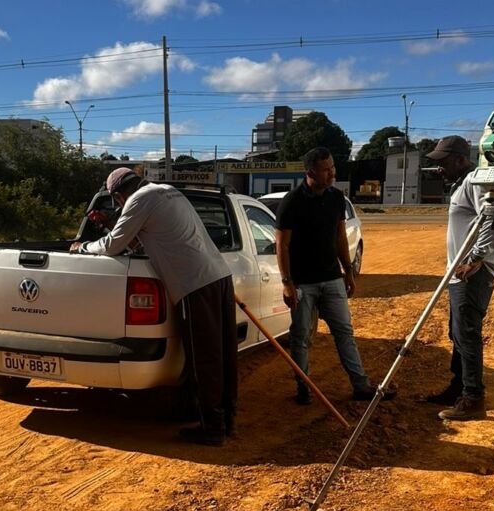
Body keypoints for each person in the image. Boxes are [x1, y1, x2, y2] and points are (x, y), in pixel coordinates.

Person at [70, 168, 237, 446]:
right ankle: (227, 421)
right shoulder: (167, 192)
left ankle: (213, 430)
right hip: (219, 276)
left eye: (117, 202)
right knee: (223, 355)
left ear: (119, 195)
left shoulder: (139, 201)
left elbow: (112, 246)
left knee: (204, 359)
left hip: (194, 285)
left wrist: (83, 248)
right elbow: (151, 238)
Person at [275, 147, 396, 405]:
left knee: (344, 332)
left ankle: (361, 386)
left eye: (333, 167)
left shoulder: (335, 198)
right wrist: (287, 283)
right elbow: (281, 246)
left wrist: (348, 271)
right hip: (302, 284)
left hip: (332, 279)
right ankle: (304, 388)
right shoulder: (292, 202)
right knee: (301, 337)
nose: (332, 173)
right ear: (310, 172)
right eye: (326, 169)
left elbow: (339, 236)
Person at [424, 135, 494, 420]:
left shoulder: (474, 181)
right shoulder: (461, 185)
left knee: (466, 335)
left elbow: (491, 216)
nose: (439, 168)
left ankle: (473, 398)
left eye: (443, 162)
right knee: (457, 333)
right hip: (459, 272)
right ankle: (459, 387)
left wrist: (476, 259)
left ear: (459, 159)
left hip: (472, 273)